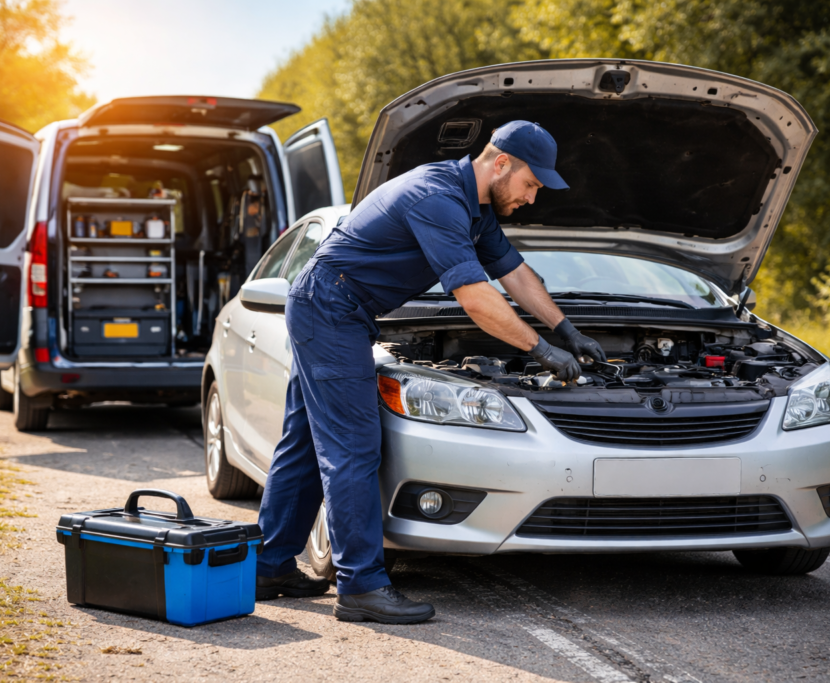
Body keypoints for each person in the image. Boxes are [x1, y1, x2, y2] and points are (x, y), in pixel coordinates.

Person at [254, 121, 606, 624]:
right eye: (531, 184)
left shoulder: (477, 209)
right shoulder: (437, 197)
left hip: (334, 307)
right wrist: (540, 349)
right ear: (500, 163)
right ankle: (361, 586)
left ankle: (268, 565)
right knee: (354, 446)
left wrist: (566, 329)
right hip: (330, 307)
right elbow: (475, 297)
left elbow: (515, 273)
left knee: (307, 440)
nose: (532, 197)